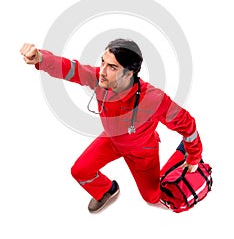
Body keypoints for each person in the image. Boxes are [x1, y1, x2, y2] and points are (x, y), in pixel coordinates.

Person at [20, 39, 202, 213]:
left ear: (129, 73)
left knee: (152, 198)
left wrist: (194, 156)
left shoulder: (153, 98)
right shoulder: (100, 79)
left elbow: (187, 123)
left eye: (112, 67)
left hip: (142, 151)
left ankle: (182, 152)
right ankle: (108, 190)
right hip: (112, 140)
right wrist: (41, 58)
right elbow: (71, 69)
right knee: (80, 171)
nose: (102, 71)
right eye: (103, 62)